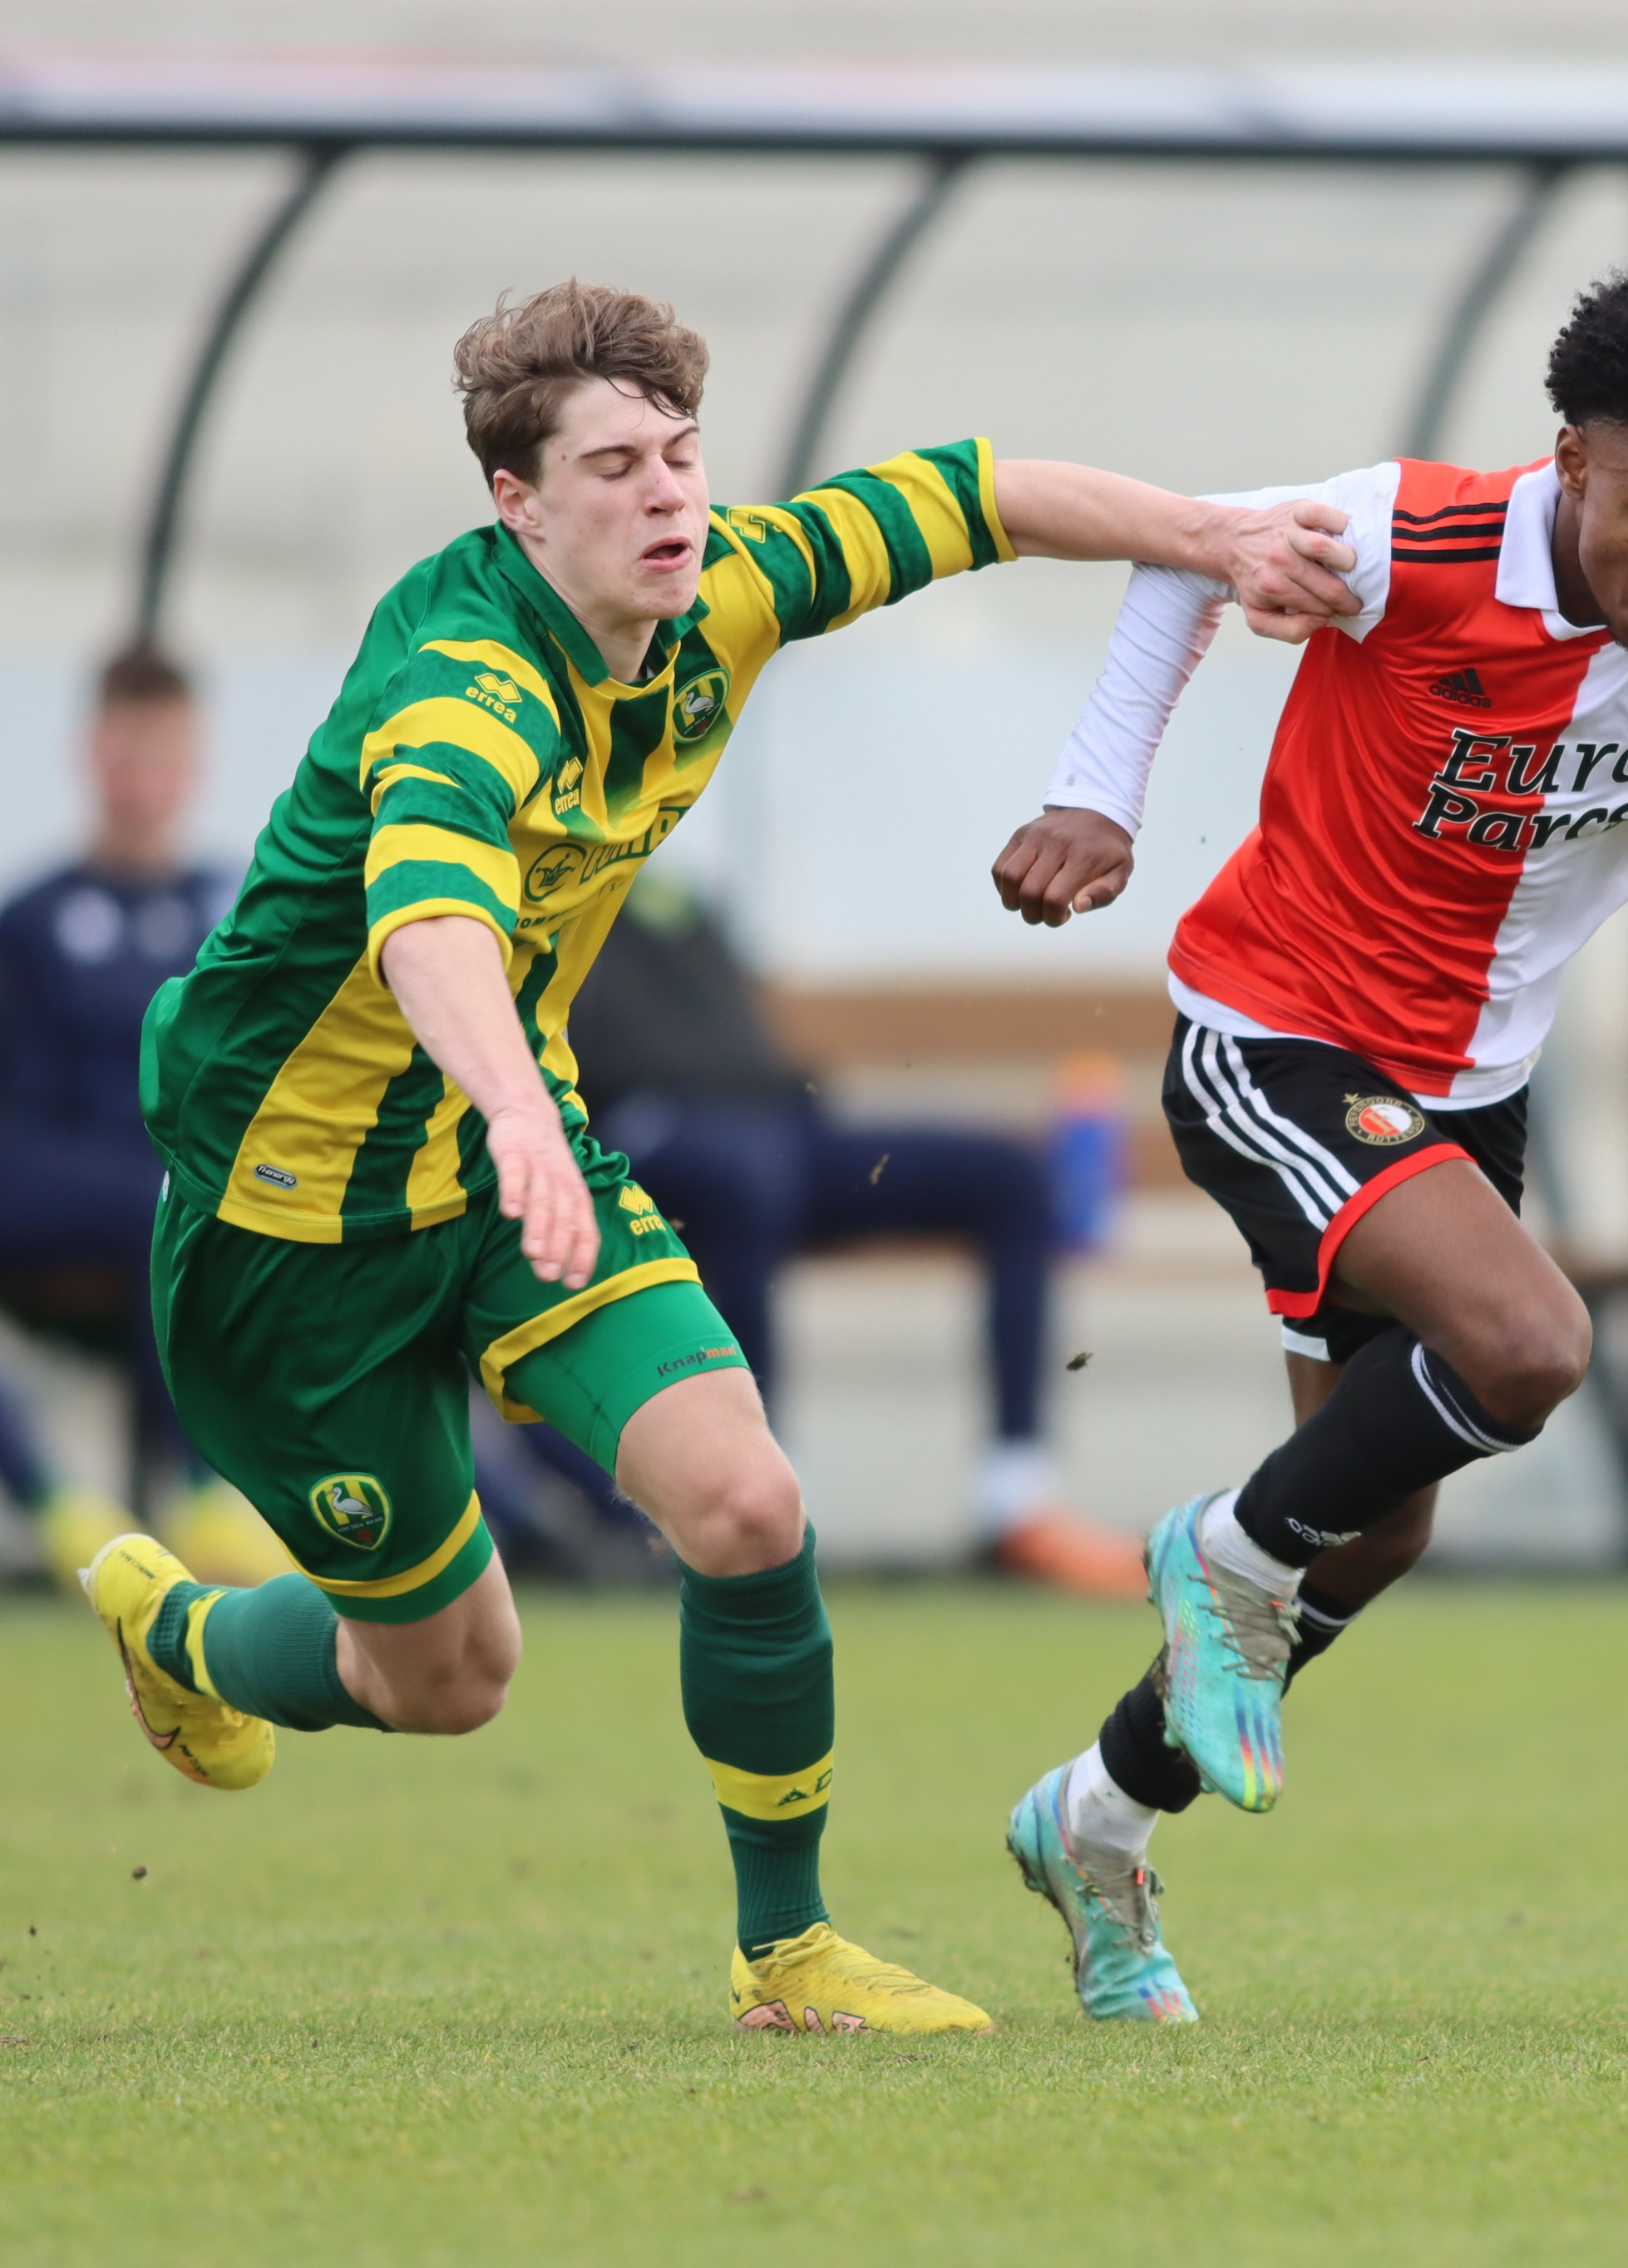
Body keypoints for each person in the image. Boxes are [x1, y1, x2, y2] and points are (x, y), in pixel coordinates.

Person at [74, 279, 1357, 2035]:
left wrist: (1214, 535)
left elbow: (972, 496)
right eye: (614, 465)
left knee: (748, 1504)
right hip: (295, 1234)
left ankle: (788, 1954)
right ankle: (197, 1639)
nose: (668, 493)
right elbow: (428, 918)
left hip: (518, 1162)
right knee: (450, 1680)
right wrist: (513, 1100)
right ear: (516, 506)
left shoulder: (719, 588)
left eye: (682, 453)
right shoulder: (460, 680)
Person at [988, 264, 1628, 2023]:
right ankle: (1219, 1557)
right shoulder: (1408, 539)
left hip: (1464, 1089)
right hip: (1275, 1032)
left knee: (1375, 1536)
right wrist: (1096, 793)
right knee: (1530, 1344)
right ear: (1568, 459)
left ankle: (1097, 1821)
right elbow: (1185, 554)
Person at [564, 875, 1130, 1586]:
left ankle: (1016, 1501)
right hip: (640, 1138)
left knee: (1011, 1176)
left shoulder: (684, 897)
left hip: (778, 1129)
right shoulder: (521, 880)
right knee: (743, 1178)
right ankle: (761, 1503)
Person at [0, 645, 271, 1579]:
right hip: (56, 1182)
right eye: (127, 753)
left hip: (204, 1193)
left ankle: (451, 1518)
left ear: (195, 762)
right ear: (91, 756)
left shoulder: (234, 910)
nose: (145, 778)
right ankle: (88, 1514)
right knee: (161, 1201)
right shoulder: (31, 920)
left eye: (165, 754)